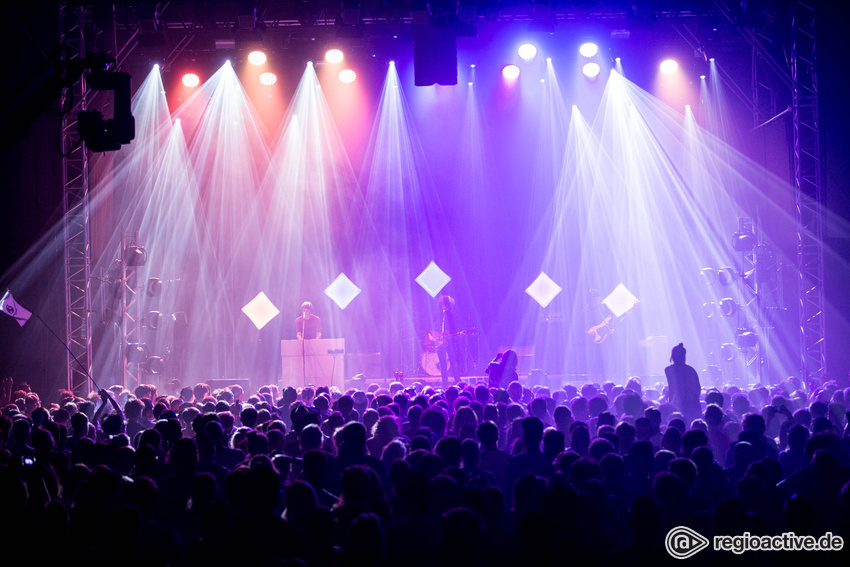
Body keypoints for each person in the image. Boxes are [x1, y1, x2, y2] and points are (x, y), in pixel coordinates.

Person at [665, 342, 701, 423]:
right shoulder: (691, 370)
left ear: (673, 356)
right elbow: (698, 388)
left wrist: (670, 404)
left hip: (679, 403)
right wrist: (694, 399)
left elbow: (672, 388)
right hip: (692, 403)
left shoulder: (669, 370)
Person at [435, 294, 461, 389]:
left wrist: (448, 334)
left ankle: (458, 381)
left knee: (453, 361)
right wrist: (438, 334)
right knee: (443, 364)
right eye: (443, 304)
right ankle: (444, 383)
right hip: (440, 342)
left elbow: (456, 328)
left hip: (450, 342)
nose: (444, 306)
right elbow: (434, 327)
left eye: (446, 304)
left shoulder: (452, 315)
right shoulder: (439, 315)